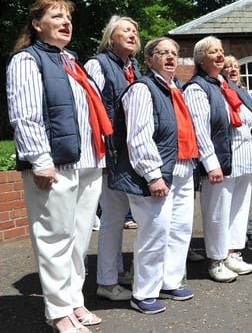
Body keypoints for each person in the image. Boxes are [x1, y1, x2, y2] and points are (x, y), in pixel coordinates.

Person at [7, 0, 110, 332]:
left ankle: (73, 300)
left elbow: (85, 113)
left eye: (68, 17)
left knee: (79, 238)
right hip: (56, 164)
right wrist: (40, 161)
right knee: (54, 237)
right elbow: (26, 115)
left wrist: (100, 155)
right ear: (37, 25)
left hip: (87, 162)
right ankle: (58, 311)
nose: (66, 23)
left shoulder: (70, 61)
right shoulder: (26, 60)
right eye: (57, 16)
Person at [108, 37, 198, 314]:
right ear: (148, 60)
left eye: (174, 53)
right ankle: (144, 292)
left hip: (183, 167)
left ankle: (169, 281)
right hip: (157, 172)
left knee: (180, 229)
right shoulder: (142, 89)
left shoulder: (176, 88)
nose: (171, 57)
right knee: (154, 231)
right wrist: (152, 175)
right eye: (162, 53)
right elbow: (138, 137)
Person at [184, 36, 252, 281]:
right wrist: (211, 163)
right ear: (200, 59)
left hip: (242, 158)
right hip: (219, 160)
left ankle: (232, 252)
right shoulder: (198, 88)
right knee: (217, 211)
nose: (220, 55)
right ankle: (216, 259)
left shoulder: (228, 86)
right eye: (212, 52)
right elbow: (201, 130)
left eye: (221, 50)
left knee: (238, 209)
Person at [84, 15, 141, 302]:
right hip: (109, 151)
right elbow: (90, 109)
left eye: (134, 31)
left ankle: (115, 272)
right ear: (110, 36)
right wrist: (102, 152)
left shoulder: (133, 67)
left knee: (118, 216)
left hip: (128, 152)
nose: (132, 34)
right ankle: (106, 282)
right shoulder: (98, 64)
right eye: (125, 30)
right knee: (112, 217)